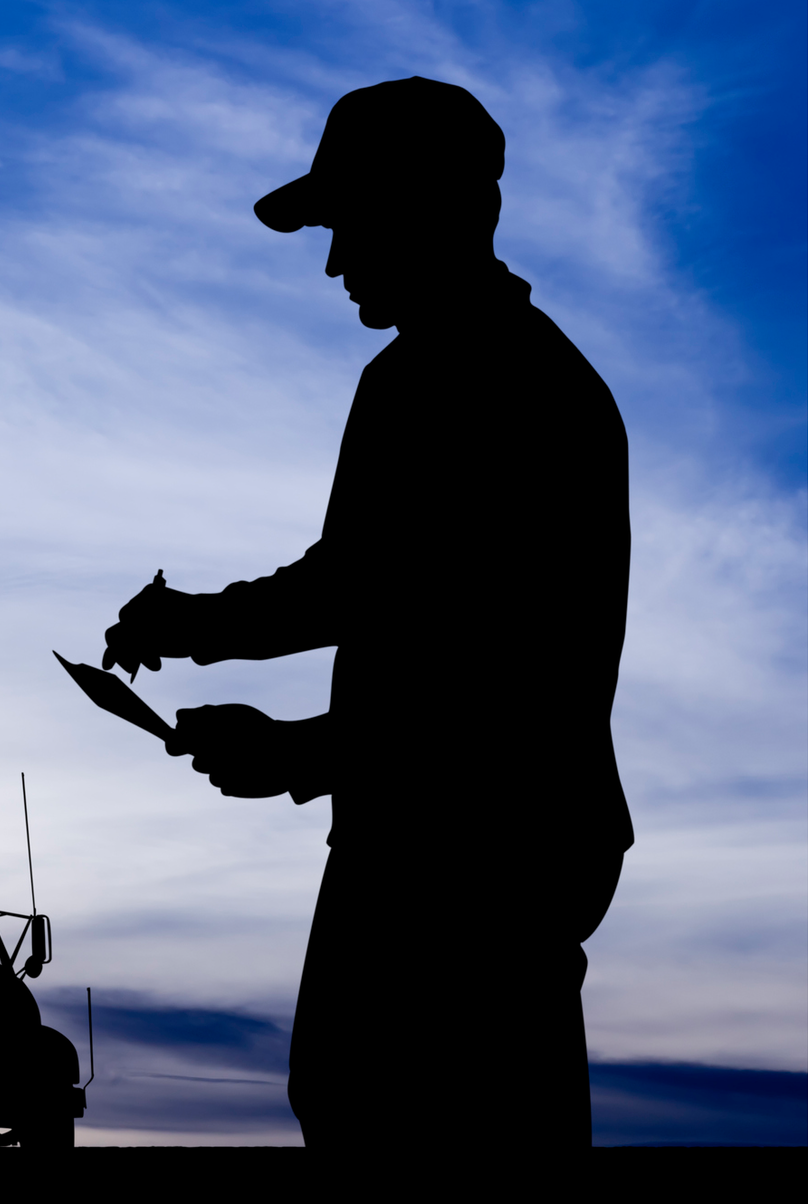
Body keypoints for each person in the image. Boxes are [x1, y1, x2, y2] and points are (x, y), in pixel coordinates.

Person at [99, 77, 633, 1148]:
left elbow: (507, 682)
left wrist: (301, 746)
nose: (336, 260)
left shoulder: (502, 390)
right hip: (451, 826)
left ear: (448, 211)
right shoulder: (446, 377)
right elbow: (366, 584)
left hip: (477, 850)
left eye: (353, 224)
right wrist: (195, 626)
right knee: (369, 1089)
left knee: (404, 1100)